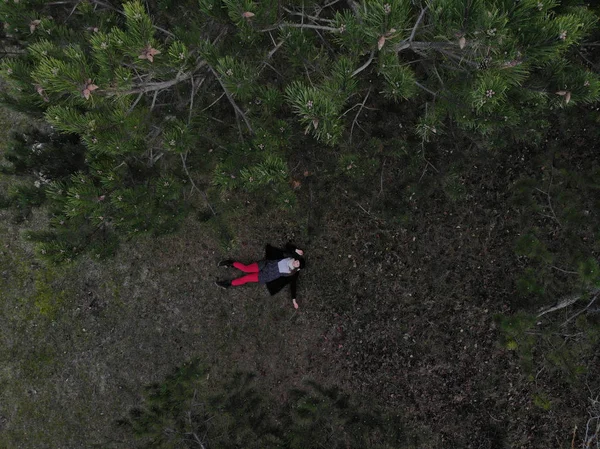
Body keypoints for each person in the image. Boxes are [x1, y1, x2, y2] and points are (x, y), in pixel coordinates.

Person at [216, 243, 306, 309]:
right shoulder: (290, 256)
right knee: (246, 269)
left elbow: (293, 285)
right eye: (297, 261)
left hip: (266, 276)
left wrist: (294, 300)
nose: (296, 263)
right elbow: (288, 246)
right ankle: (231, 263)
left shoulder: (293, 273)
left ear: (297, 268)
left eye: (297, 264)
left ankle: (228, 284)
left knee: (246, 278)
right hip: (265, 265)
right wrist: (296, 250)